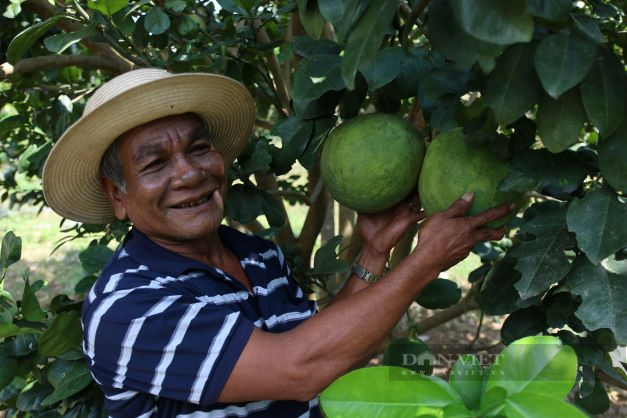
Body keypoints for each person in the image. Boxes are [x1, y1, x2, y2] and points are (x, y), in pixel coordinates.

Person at [42, 68, 513, 417]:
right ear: (116, 195)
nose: (188, 173)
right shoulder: (129, 307)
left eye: (198, 148)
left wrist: (372, 253)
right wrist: (426, 261)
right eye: (154, 164)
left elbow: (320, 347)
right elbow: (298, 369)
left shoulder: (256, 254)